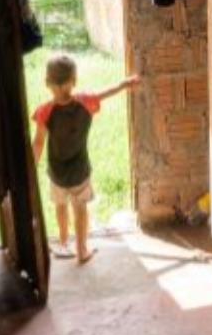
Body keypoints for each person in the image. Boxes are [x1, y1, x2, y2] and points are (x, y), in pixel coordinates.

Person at [31, 54, 140, 264]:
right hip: (80, 171)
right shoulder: (85, 102)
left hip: (56, 173)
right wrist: (124, 85)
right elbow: (104, 93)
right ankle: (81, 250)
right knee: (80, 208)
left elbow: (38, 143)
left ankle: (63, 241)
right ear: (74, 80)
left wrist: (31, 167)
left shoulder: (44, 111)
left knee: (60, 205)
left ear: (47, 83)